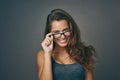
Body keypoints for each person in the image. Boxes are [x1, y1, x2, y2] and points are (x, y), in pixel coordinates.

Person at [36, 9, 96, 80]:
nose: (62, 36)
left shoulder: (84, 52)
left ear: (71, 30)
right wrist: (47, 53)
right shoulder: (42, 55)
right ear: (49, 34)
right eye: (56, 32)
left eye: (65, 30)